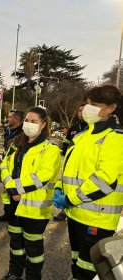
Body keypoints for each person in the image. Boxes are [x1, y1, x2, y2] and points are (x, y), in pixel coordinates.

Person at [52, 84, 123, 280]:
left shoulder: (115, 138)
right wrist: (60, 189)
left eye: (96, 104)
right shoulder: (83, 136)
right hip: (76, 214)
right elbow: (68, 170)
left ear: (111, 107)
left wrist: (70, 198)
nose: (88, 108)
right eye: (88, 103)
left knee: (88, 270)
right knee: (76, 264)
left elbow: (104, 180)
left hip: (97, 219)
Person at [0, 107, 61, 280]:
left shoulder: (50, 149)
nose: (28, 124)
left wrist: (15, 188)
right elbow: (4, 165)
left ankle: (33, 277)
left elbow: (42, 176)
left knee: (33, 248)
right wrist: (10, 186)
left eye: (34, 122)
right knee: (16, 243)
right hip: (13, 202)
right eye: (27, 120)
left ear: (43, 125)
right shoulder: (15, 143)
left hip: (34, 208)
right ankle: (15, 272)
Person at [54, 103, 88, 222]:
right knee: (68, 183)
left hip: (84, 163)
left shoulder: (91, 128)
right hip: (70, 161)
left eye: (84, 111)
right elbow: (66, 142)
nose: (81, 113)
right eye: (79, 111)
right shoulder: (74, 128)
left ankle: (75, 208)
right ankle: (65, 210)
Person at [0, 109, 24, 222]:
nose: (8, 119)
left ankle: (14, 215)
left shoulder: (22, 131)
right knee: (7, 189)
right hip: (7, 161)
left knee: (15, 189)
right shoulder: (9, 131)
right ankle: (7, 213)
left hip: (16, 164)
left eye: (10, 117)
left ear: (16, 118)